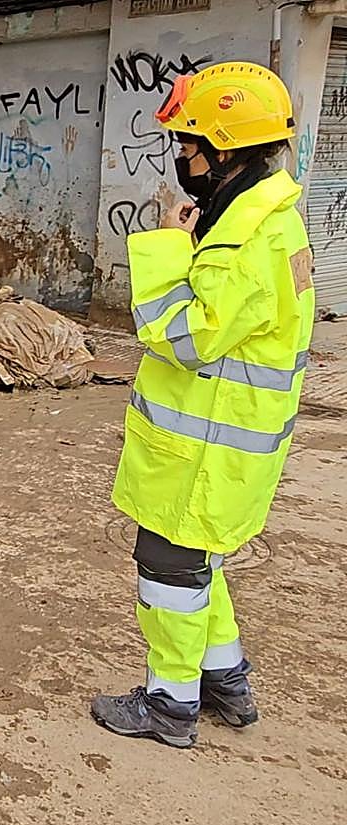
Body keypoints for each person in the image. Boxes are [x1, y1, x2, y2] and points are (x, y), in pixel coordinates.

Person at [92, 62, 315, 748]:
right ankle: (227, 684)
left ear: (224, 152)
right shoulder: (265, 222)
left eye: (187, 147)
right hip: (227, 446)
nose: (179, 160)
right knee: (199, 564)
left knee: (168, 572)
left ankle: (169, 705)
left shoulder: (247, 241)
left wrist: (164, 244)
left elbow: (183, 336)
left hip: (206, 451)